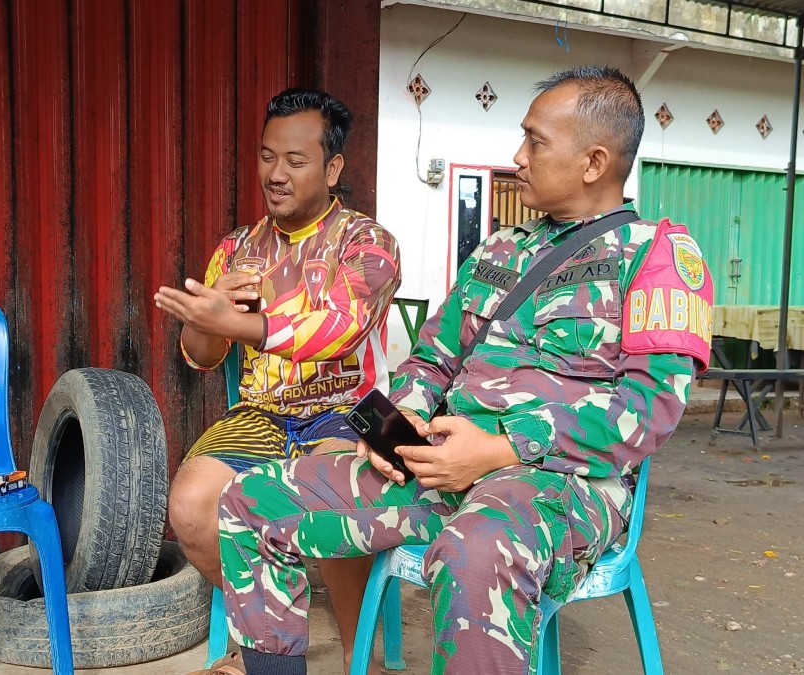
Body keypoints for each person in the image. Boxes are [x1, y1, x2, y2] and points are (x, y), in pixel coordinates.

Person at [212, 66, 714, 675]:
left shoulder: (657, 256)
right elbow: (433, 357)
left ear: (593, 161)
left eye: (535, 141)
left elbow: (646, 414)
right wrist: (406, 418)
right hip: (439, 467)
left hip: (558, 483)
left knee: (475, 552)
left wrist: (502, 449)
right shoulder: (502, 250)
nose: (517, 156)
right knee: (249, 502)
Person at [154, 88, 401, 673]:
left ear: (332, 167)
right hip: (263, 414)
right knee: (190, 506)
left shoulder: (369, 243)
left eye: (295, 161)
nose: (277, 174)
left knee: (333, 498)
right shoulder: (237, 247)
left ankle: (356, 656)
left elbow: (340, 328)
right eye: (268, 157)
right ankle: (258, 637)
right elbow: (200, 357)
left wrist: (248, 321)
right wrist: (212, 317)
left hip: (356, 407)